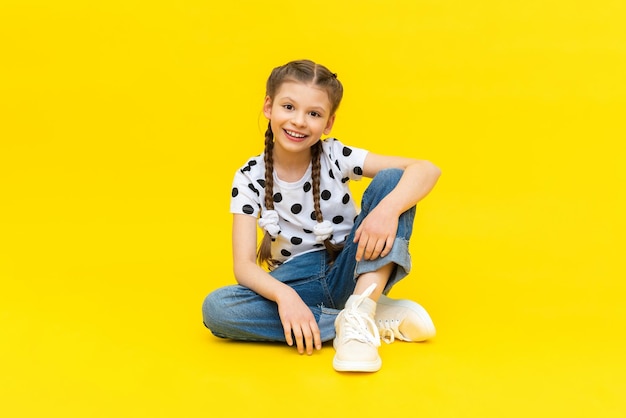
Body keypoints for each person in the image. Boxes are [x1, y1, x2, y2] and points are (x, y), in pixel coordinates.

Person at [202, 59, 441, 372]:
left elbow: (426, 169)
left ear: (328, 124)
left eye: (313, 114)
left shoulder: (336, 155)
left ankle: (359, 309)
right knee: (217, 308)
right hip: (297, 281)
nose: (299, 121)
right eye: (289, 107)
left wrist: (387, 210)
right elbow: (244, 265)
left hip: (349, 265)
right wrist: (285, 296)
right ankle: (358, 316)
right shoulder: (248, 177)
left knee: (395, 179)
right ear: (268, 107)